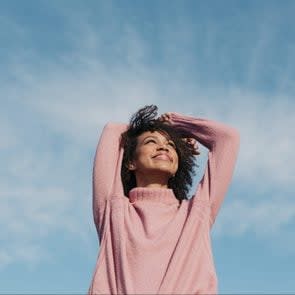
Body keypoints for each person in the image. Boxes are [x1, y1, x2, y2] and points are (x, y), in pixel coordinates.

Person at [88, 105, 240, 294]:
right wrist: (154, 126)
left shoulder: (196, 213)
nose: (163, 146)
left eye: (171, 145)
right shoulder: (113, 209)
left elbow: (227, 138)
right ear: (130, 162)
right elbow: (113, 130)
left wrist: (178, 124)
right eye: (151, 141)